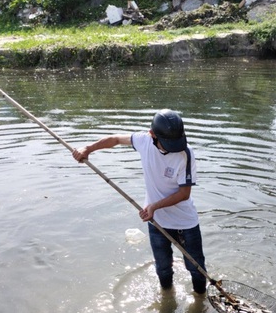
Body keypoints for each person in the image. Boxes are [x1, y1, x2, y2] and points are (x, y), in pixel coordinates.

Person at [72, 109, 207, 294]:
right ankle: (167, 300)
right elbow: (116, 139)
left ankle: (200, 303)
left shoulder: (185, 153)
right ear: (152, 135)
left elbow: (184, 193)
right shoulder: (144, 141)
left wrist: (154, 206)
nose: (171, 148)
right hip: (157, 221)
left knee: (196, 269)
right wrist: (88, 149)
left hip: (185, 222)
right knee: (163, 269)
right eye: (167, 144)